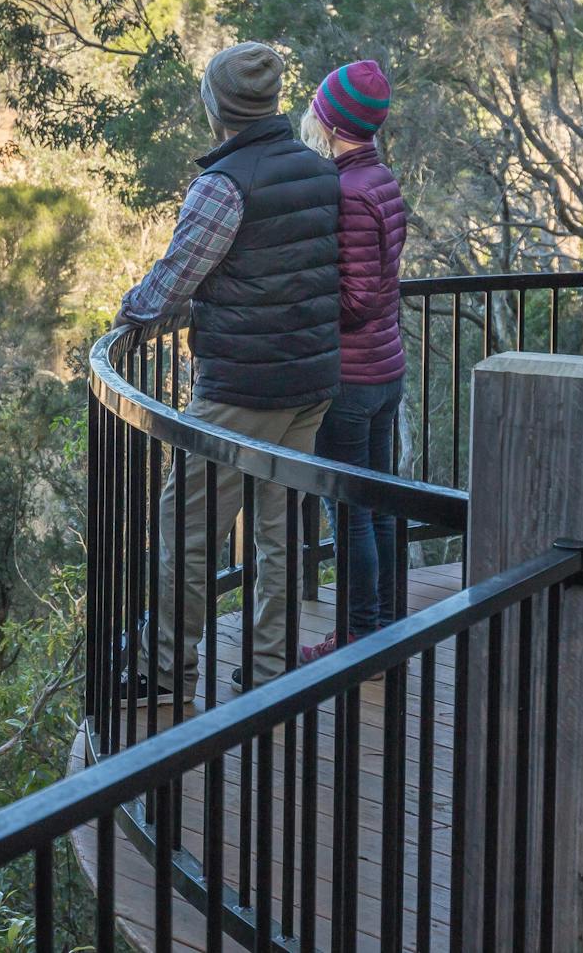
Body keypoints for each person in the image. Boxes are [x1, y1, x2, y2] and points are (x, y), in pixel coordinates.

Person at [114, 41, 341, 701]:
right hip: (309, 383)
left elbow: (173, 281)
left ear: (214, 104)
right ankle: (269, 667)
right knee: (278, 530)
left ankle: (166, 670)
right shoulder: (318, 169)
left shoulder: (224, 185)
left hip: (242, 385)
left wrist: (132, 312)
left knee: (186, 529)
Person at [299, 60, 408, 657]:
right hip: (384, 369)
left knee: (352, 513)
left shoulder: (346, 191)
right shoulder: (380, 179)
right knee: (381, 505)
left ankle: (360, 634)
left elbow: (357, 297)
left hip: (352, 376)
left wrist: (301, 297)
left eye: (317, 110)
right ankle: (385, 624)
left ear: (331, 122)